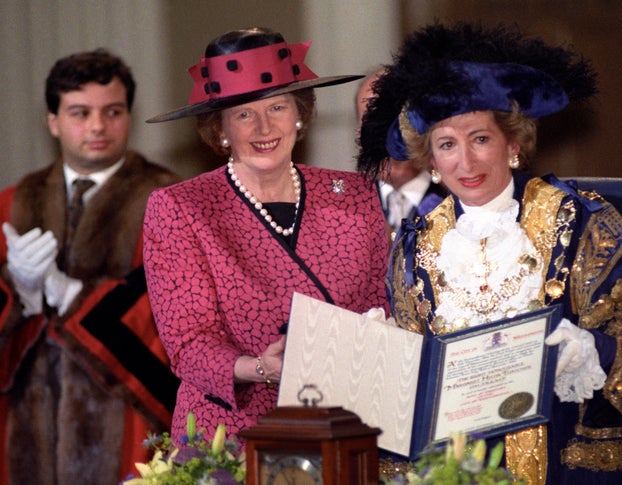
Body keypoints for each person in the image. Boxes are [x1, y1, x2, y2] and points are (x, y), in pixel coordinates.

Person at [358, 22, 622, 485]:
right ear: (430, 160)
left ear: (512, 143)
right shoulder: (415, 246)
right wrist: (387, 355)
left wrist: (594, 351)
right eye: (447, 145)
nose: (465, 163)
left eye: (480, 139)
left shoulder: (581, 220)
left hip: (565, 457)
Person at [143, 28, 390, 447]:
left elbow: (382, 309)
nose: (264, 126)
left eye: (277, 107)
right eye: (243, 114)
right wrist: (259, 367)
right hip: (231, 436)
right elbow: (188, 344)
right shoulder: (181, 208)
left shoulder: (355, 194)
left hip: (343, 424)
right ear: (219, 129)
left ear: (300, 115)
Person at [0, 49, 181, 484]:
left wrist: (74, 297)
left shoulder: (170, 203)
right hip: (24, 427)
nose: (98, 127)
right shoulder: (11, 204)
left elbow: (177, 323)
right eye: (80, 113)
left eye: (112, 111)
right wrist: (17, 292)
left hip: (127, 426)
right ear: (53, 121)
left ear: (129, 116)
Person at [356, 70, 447, 239]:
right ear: (358, 132)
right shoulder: (347, 207)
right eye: (374, 118)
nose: (391, 133)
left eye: (400, 117)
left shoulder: (457, 202)